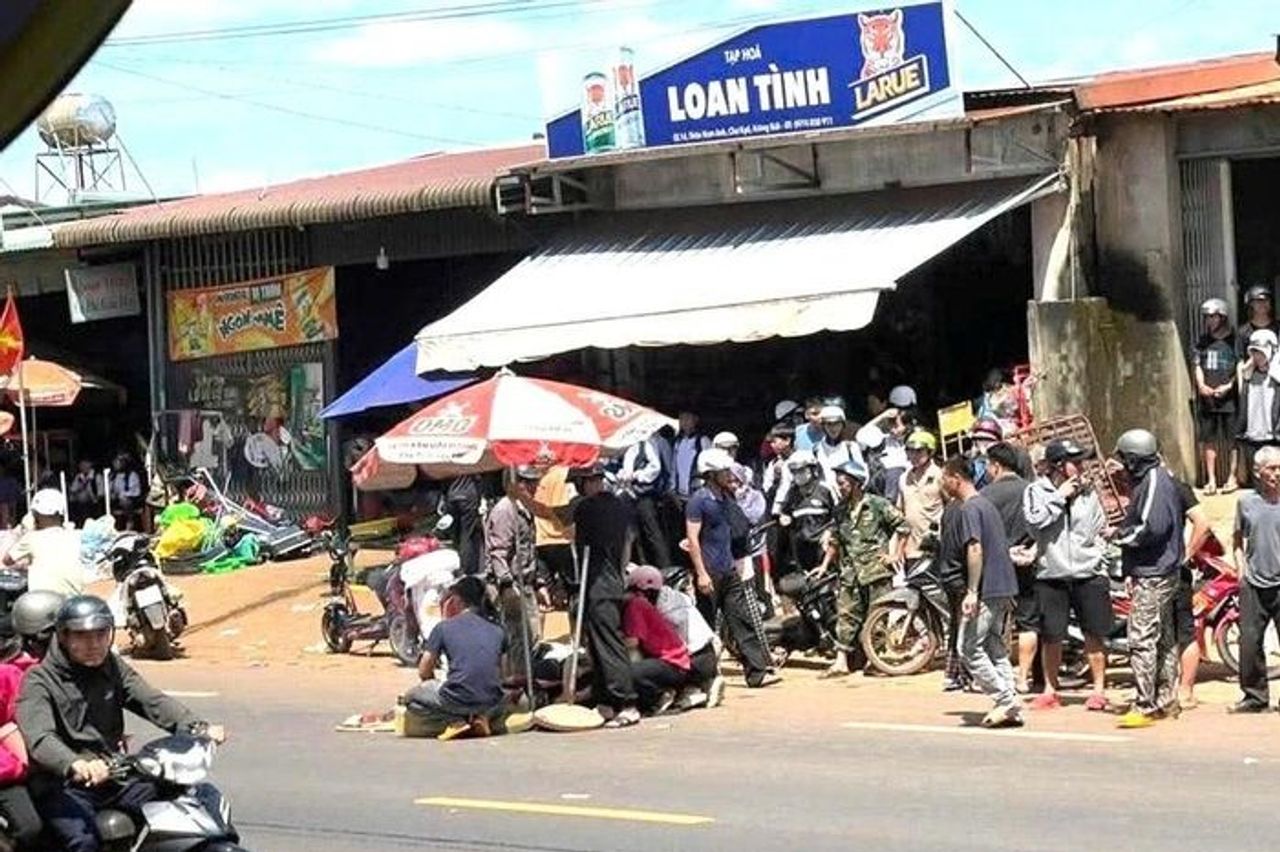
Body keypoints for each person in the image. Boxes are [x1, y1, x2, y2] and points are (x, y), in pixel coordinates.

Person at [17, 595, 226, 852]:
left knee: (196, 796)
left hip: (115, 775)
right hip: (64, 785)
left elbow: (151, 700)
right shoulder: (39, 680)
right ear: (63, 637)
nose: (93, 644)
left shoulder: (112, 666)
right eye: (82, 636)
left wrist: (195, 726)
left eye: (101, 634)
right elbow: (40, 737)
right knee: (83, 841)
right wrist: (75, 764)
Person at [537, 463, 641, 728]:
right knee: (595, 645)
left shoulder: (587, 507)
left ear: (586, 483)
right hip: (610, 582)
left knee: (607, 644)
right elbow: (628, 542)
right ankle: (605, 699)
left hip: (599, 586)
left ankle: (626, 702)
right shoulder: (619, 506)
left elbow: (553, 515)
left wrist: (520, 496)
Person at [1022, 438, 1111, 712]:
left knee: (1093, 633)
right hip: (1052, 573)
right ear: (1059, 465)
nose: (1081, 467)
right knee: (1052, 635)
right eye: (1075, 462)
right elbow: (1035, 522)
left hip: (1088, 572)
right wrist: (1059, 497)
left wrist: (1099, 559)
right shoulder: (1037, 491)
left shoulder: (1089, 493)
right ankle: (1050, 689)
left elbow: (1099, 528)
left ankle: (1098, 690)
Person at [1110, 429, 1185, 728]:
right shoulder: (1157, 479)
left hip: (1154, 572)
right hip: (1162, 570)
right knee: (1164, 637)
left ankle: (1144, 704)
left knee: (1140, 638)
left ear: (1134, 459)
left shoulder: (1154, 482)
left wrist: (1120, 536)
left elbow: (1150, 528)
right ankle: (1166, 699)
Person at [686, 448, 778, 688]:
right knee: (705, 627)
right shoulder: (699, 501)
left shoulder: (727, 498)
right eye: (724, 471)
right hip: (710, 572)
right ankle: (702, 678)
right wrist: (701, 574)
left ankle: (756, 672)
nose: (729, 474)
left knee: (741, 619)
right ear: (711, 474)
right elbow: (693, 539)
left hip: (729, 570)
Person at [940, 456, 1021, 727]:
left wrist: (972, 591)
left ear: (955, 478)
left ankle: (1005, 700)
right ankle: (1010, 703)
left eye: (944, 478)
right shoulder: (986, 504)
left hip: (987, 589)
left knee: (968, 647)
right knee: (994, 646)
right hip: (1003, 585)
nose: (942, 483)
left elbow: (975, 549)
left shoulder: (970, 509)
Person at [821, 458, 905, 678]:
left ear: (857, 483)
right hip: (850, 571)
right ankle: (841, 662)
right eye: (839, 483)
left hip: (876, 570)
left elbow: (903, 526)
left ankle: (874, 660)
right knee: (846, 614)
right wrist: (824, 566)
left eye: (844, 483)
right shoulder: (840, 510)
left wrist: (895, 554)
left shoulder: (877, 504)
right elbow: (836, 540)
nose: (840, 488)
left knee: (876, 616)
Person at [405, 576, 507, 740]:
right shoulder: (498, 630)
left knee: (411, 698)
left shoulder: (443, 628)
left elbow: (424, 670)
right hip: (490, 700)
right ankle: (482, 718)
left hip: (455, 698)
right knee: (511, 700)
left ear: (457, 600)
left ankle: (456, 720)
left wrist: (432, 683)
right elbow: (503, 674)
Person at [979, 443, 1038, 694]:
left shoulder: (984, 496)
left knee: (994, 624)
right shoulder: (1031, 490)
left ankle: (995, 678)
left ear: (995, 466)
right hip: (1026, 562)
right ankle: (1023, 679)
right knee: (1027, 623)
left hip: (994, 567)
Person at [625, 565, 722, 710]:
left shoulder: (652, 607)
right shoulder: (679, 598)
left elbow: (637, 642)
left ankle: (674, 690)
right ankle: (699, 686)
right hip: (709, 653)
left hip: (691, 661)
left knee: (638, 664)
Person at [1228, 446, 1280, 713]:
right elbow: (1237, 539)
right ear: (1259, 472)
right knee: (1249, 643)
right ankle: (1254, 697)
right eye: (1272, 468)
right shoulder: (1246, 502)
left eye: (1279, 468)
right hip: (1254, 583)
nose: (1277, 473)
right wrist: (1240, 569)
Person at [484, 467, 542, 683]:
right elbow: (498, 552)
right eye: (528, 483)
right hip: (511, 586)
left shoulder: (524, 509)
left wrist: (539, 581)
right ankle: (517, 684)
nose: (534, 488)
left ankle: (522, 679)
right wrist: (507, 586)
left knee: (532, 637)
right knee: (519, 637)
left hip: (525, 582)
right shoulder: (505, 511)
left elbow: (527, 549)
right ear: (515, 484)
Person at [0, 611, 42, 850]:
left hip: (28, 762)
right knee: (30, 828)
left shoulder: (35, 670)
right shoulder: (9, 674)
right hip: (10, 771)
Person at [621, 584, 692, 716]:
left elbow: (632, 642)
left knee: (629, 673)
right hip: (671, 662)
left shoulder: (635, 605)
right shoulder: (638, 603)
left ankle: (659, 696)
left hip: (673, 663)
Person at [1193, 298, 1240, 494]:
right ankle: (1211, 480)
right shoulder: (1202, 341)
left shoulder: (1235, 340)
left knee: (1232, 439)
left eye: (1213, 317)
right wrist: (1201, 385)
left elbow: (1240, 366)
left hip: (1229, 398)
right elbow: (1197, 364)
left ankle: (1232, 477)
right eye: (1207, 317)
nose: (1209, 321)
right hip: (1208, 398)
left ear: (1222, 316)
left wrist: (1229, 386)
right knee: (1208, 439)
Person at [3, 490, 83, 598]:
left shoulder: (31, 538)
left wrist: (24, 530)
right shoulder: (77, 535)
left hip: (41, 601)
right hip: (73, 599)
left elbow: (7, 560)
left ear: (36, 515)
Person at [616, 438, 671, 570]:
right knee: (633, 534)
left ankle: (665, 568)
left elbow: (655, 467)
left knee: (652, 532)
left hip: (643, 494)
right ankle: (643, 566)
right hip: (627, 493)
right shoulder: (623, 444)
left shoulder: (647, 443)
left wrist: (636, 476)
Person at [777, 450, 836, 573]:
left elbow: (838, 516)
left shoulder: (825, 490)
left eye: (801, 470)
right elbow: (785, 514)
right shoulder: (792, 494)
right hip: (801, 549)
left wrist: (829, 532)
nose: (798, 474)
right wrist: (784, 518)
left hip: (823, 547)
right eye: (794, 471)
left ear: (812, 469)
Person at [1236, 328, 1280, 487]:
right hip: (1254, 434)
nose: (1257, 356)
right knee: (1258, 475)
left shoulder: (1276, 376)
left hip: (1274, 435)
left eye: (1261, 352)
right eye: (1254, 352)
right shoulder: (1249, 375)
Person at [533, 466, 576, 611]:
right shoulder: (567, 475)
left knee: (546, 592)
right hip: (564, 538)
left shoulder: (539, 478)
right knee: (570, 588)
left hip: (542, 537)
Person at [898, 430, 944, 564]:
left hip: (935, 545)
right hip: (911, 548)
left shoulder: (939, 476)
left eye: (919, 451)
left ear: (930, 451)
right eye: (910, 451)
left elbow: (951, 505)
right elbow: (899, 512)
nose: (914, 455)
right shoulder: (903, 478)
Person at [445, 475, 485, 576]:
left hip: (451, 495)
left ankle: (455, 564)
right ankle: (466, 568)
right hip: (468, 495)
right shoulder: (470, 461)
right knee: (467, 534)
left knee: (455, 535)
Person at [813, 406, 861, 487]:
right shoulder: (816, 449)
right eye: (829, 424)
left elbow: (862, 474)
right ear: (823, 426)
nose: (833, 428)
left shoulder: (851, 448)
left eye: (837, 424)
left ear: (843, 425)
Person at [670, 412, 710, 505]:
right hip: (680, 495)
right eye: (682, 419)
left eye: (688, 418)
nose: (684, 422)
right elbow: (674, 468)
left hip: (698, 494)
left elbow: (709, 468)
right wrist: (672, 489)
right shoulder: (678, 442)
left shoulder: (703, 441)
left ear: (695, 420)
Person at [1236, 285, 1280, 360]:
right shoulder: (1243, 332)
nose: (1263, 304)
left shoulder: (1278, 328)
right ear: (1251, 304)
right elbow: (1241, 360)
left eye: (1266, 300)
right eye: (1258, 301)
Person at [108, 455, 143, 533]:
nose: (115, 464)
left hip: (130, 500)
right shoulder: (113, 476)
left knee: (125, 500)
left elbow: (136, 492)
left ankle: (130, 522)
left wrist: (123, 494)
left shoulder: (132, 475)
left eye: (118, 462)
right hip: (116, 500)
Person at [67, 461, 101, 529]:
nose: (82, 466)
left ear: (90, 464)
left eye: (85, 464)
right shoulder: (79, 477)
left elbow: (101, 493)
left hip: (94, 504)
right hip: (80, 504)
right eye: (81, 464)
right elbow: (73, 490)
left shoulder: (97, 476)